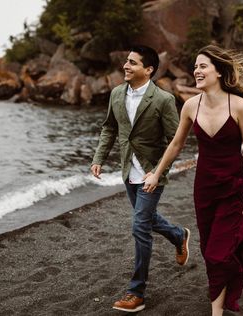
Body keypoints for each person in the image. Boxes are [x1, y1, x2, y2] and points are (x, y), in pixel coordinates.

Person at [143, 45, 243, 315]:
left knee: (218, 253)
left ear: (219, 72)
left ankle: (217, 311)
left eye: (203, 66)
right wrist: (157, 172)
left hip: (234, 187)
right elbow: (176, 144)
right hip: (204, 188)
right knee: (208, 249)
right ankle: (219, 307)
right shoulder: (190, 105)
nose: (196, 71)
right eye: (196, 66)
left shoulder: (239, 106)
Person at [90, 45, 190, 313]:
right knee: (145, 218)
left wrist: (158, 173)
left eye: (133, 62)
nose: (126, 65)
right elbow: (110, 128)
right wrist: (99, 158)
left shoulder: (164, 100)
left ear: (148, 70)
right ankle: (179, 235)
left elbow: (175, 142)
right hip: (127, 171)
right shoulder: (116, 93)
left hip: (150, 173)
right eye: (126, 61)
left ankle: (137, 292)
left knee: (140, 227)